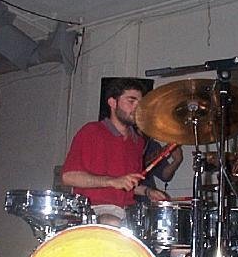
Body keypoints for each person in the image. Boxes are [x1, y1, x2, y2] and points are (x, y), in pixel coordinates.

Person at [61, 78, 168, 226]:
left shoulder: (137, 142)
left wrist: (147, 191)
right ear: (112, 103)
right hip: (94, 210)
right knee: (112, 222)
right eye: (131, 101)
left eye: (140, 103)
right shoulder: (91, 131)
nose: (137, 108)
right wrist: (112, 181)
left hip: (127, 211)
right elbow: (68, 177)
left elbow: (127, 184)